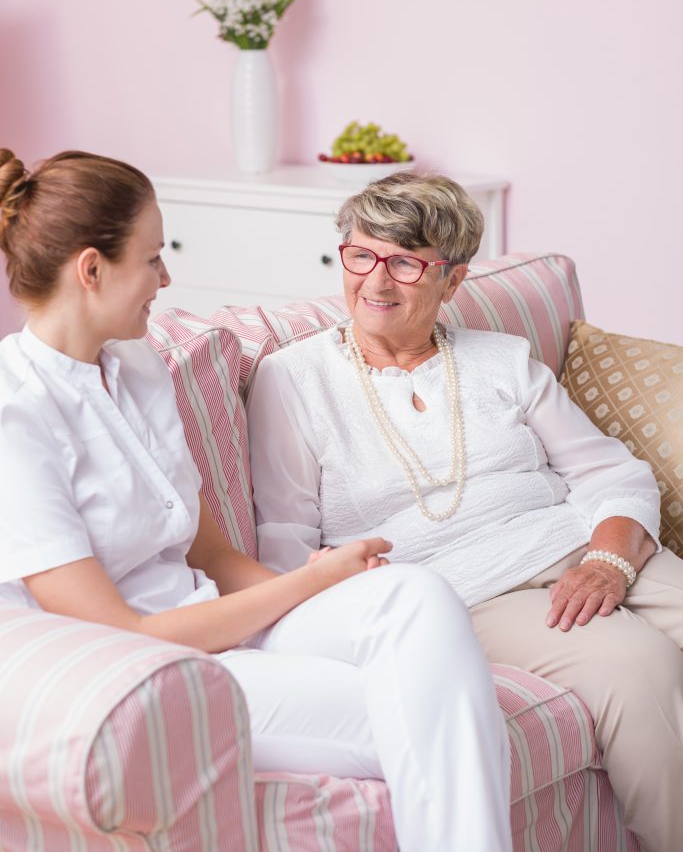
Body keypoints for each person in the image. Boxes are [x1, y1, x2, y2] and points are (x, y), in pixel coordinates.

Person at [0, 149, 512, 852]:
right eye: (152, 259)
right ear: (92, 269)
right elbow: (123, 633)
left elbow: (210, 552)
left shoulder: (138, 366)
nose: (166, 278)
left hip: (210, 617)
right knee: (444, 718)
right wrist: (311, 580)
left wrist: (320, 598)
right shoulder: (14, 415)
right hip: (154, 673)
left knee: (412, 595)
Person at [247, 170, 683, 852]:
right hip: (463, 590)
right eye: (360, 254)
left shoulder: (502, 359)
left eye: (406, 264)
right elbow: (284, 537)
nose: (375, 281)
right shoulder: (293, 379)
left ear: (452, 281)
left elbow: (612, 474)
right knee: (636, 666)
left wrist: (606, 560)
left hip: (578, 543)